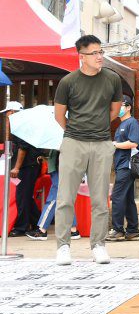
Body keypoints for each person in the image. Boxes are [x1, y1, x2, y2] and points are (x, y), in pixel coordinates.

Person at [53, 35, 123, 266]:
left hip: (102, 142)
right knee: (65, 196)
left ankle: (98, 245)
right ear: (81, 56)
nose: (100, 57)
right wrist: (77, 131)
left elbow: (114, 111)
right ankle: (63, 246)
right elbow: (59, 115)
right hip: (73, 142)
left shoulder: (112, 79)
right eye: (94, 53)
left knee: (101, 198)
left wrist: (97, 127)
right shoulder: (68, 82)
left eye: (101, 52)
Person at [3, 101, 42, 237]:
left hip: (27, 166)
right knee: (26, 196)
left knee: (22, 196)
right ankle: (38, 222)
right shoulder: (21, 125)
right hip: (29, 165)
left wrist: (16, 168)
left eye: (7, 113)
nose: (6, 116)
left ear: (13, 112)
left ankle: (21, 227)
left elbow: (23, 148)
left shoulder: (21, 126)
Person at [106, 95, 139, 241]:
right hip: (122, 165)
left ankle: (117, 229)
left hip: (127, 166)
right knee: (127, 198)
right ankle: (133, 230)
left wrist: (115, 144)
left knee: (117, 196)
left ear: (128, 107)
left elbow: (134, 143)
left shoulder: (132, 123)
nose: (118, 108)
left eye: (121, 105)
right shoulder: (121, 124)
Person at [26, 147, 80, 241]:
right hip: (60, 169)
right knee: (65, 199)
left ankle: (42, 230)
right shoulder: (62, 135)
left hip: (60, 170)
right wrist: (46, 157)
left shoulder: (62, 135)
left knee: (52, 199)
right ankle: (73, 230)